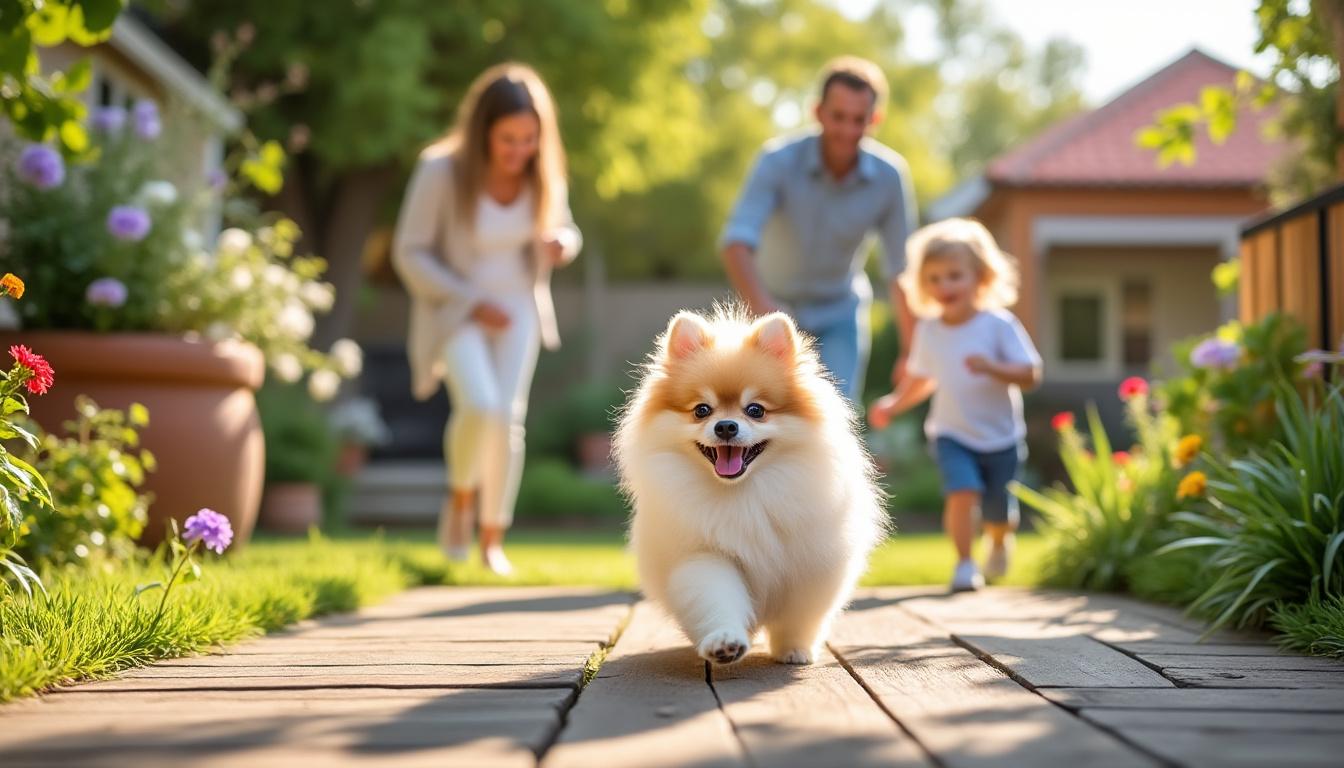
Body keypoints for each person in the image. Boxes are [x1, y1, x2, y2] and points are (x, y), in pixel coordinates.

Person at [392, 62, 581, 575]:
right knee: (480, 405)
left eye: (529, 140)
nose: (520, 151)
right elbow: (409, 253)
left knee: (507, 419)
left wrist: (562, 243)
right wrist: (471, 300)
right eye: (507, 140)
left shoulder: (544, 173)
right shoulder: (440, 171)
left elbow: (564, 228)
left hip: (519, 307)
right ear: (482, 133)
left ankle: (492, 538)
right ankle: (460, 499)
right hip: (457, 309)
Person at [719, 56, 918, 401]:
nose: (848, 131)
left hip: (838, 310)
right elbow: (736, 242)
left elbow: (901, 268)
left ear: (876, 119)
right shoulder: (777, 161)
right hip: (772, 308)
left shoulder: (890, 177)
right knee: (761, 410)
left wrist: (911, 349)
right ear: (818, 112)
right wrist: (762, 304)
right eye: (838, 117)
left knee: (835, 413)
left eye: (860, 120)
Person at [867, 218, 1042, 591]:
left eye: (954, 275)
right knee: (961, 494)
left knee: (998, 511)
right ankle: (964, 564)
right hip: (951, 433)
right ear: (922, 285)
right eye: (934, 278)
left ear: (980, 277)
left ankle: (998, 538)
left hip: (1001, 437)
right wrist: (894, 404)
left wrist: (993, 367)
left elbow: (1031, 373)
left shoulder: (998, 325)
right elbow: (922, 379)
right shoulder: (930, 330)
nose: (944, 286)